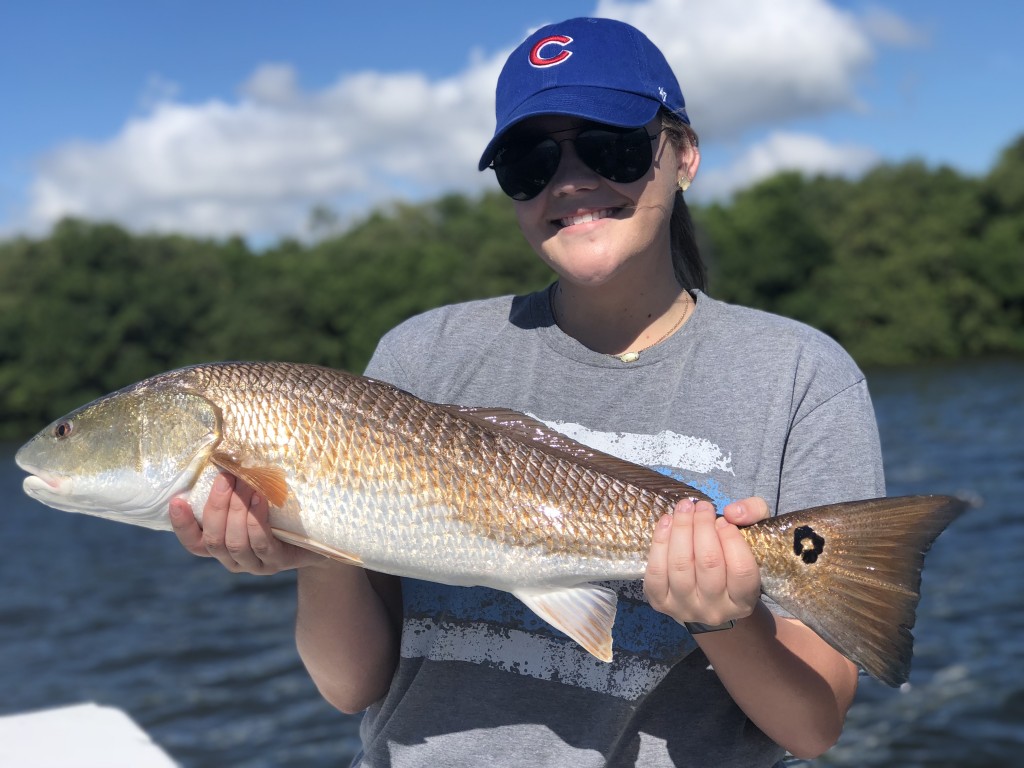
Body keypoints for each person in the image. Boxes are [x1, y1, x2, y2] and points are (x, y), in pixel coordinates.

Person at [169, 17, 884, 767]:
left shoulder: (801, 373)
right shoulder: (419, 356)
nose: (570, 181)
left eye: (612, 145)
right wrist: (316, 554)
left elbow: (813, 728)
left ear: (685, 155)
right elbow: (351, 686)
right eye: (529, 161)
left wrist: (725, 620)